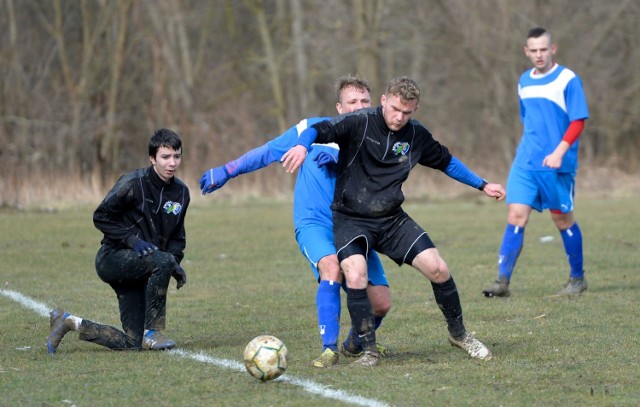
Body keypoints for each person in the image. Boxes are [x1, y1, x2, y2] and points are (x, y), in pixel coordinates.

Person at [281, 76, 505, 366]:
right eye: (395, 109)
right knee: (356, 272)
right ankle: (368, 351)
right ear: (384, 100)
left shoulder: (415, 135)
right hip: (351, 219)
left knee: (438, 268)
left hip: (390, 219)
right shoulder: (359, 122)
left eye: (407, 112)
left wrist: (482, 184)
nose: (399, 117)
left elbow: (446, 161)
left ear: (415, 109)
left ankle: (459, 335)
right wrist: (301, 146)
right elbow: (317, 129)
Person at [200, 76, 392, 368]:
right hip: (315, 223)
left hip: (355, 228)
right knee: (331, 266)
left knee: (381, 303)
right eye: (352, 102)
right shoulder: (312, 129)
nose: (359, 107)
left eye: (365, 101)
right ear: (339, 107)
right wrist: (228, 170)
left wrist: (343, 164)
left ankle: (355, 343)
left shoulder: (380, 141)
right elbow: (268, 152)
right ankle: (329, 350)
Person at [47, 128, 190, 353]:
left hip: (142, 267)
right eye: (165, 157)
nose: (172, 162)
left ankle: (68, 322)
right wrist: (132, 240)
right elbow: (100, 216)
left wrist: (175, 262)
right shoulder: (133, 183)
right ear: (152, 158)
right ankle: (153, 332)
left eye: (177, 156)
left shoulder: (181, 193)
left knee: (133, 344)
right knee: (163, 261)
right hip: (112, 258)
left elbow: (177, 236)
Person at [482, 27, 589, 298]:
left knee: (562, 220)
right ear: (526, 51)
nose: (539, 55)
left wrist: (559, 152)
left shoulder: (568, 79)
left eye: (544, 49)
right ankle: (502, 282)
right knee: (516, 215)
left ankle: (577, 280)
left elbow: (578, 121)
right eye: (534, 50)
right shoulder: (523, 81)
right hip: (526, 162)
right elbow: (527, 119)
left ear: (553, 49)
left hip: (557, 164)